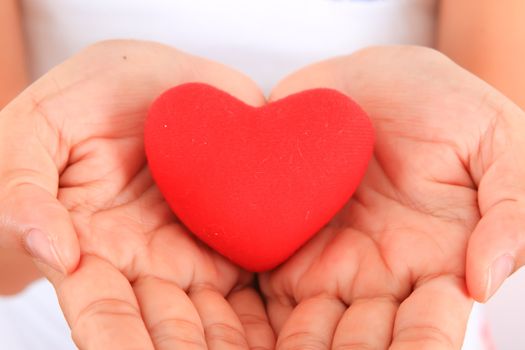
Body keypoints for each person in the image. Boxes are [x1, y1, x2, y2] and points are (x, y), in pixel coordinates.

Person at [1, 0, 524, 349]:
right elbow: (14, 199)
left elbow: (494, 114)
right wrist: (27, 220)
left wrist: (463, 160)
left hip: (408, 245)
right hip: (93, 243)